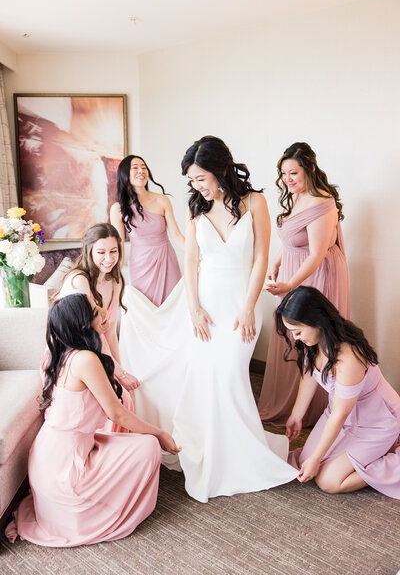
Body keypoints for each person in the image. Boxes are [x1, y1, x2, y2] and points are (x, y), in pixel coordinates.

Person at [119, 135, 298, 503]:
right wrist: (193, 307)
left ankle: (241, 453)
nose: (196, 185)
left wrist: (249, 305)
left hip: (241, 301)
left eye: (200, 178)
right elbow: (190, 261)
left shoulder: (255, 202)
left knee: (230, 373)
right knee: (209, 377)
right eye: (191, 180)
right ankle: (217, 451)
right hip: (206, 302)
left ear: (220, 169)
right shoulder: (195, 207)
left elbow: (261, 257)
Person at [5, 294, 181, 547]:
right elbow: (117, 413)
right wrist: (160, 434)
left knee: (127, 442)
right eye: (96, 311)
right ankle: (105, 511)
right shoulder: (85, 359)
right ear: (83, 322)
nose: (103, 313)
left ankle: (101, 498)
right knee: (149, 446)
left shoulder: (63, 352)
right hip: (66, 468)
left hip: (50, 456)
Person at [275, 286, 400, 498]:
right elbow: (309, 375)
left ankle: (390, 453)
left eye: (298, 332)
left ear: (317, 321)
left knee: (328, 480)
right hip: (342, 415)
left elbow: (340, 415)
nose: (295, 338)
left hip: (377, 422)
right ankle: (374, 451)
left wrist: (316, 459)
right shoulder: (313, 342)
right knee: (306, 460)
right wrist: (296, 415)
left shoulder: (349, 358)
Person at [258, 142, 350, 427]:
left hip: (315, 274)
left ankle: (315, 408)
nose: (288, 179)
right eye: (284, 173)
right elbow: (291, 238)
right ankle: (291, 402)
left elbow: (317, 254)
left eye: (293, 172)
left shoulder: (322, 202)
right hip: (293, 271)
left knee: (313, 337)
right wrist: (276, 262)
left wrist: (289, 286)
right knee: (292, 334)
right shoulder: (296, 196)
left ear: (309, 168)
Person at [55, 223, 138, 426]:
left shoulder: (115, 281)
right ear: (89, 250)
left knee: (126, 393)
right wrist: (119, 373)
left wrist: (120, 371)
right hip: (74, 354)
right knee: (119, 398)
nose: (109, 259)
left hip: (98, 350)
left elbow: (109, 334)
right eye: (101, 252)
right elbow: (88, 335)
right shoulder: (79, 281)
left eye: (113, 251)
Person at [110, 154, 184, 307]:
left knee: (172, 307)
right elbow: (119, 246)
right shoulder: (117, 209)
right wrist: (114, 275)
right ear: (125, 174)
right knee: (143, 309)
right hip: (140, 265)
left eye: (144, 167)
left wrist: (197, 252)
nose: (141, 171)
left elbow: (176, 236)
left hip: (166, 261)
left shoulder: (162, 200)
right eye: (135, 168)